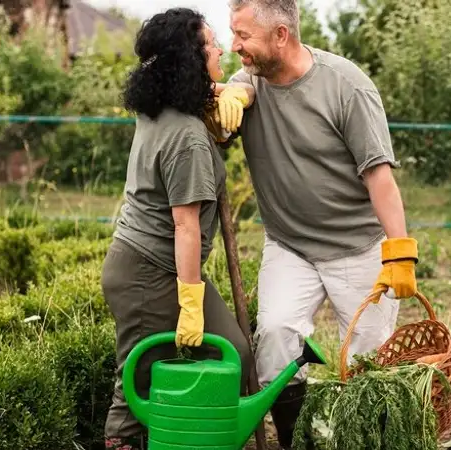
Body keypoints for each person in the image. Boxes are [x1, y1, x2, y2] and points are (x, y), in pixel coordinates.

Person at [224, 0, 421, 447]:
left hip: (357, 246)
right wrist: (229, 96)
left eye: (243, 36)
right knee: (274, 339)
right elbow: (232, 91)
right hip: (290, 246)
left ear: (281, 36)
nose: (235, 46)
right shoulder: (248, 81)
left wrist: (400, 251)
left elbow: (379, 176)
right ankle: (298, 441)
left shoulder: (346, 86)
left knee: (368, 366)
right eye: (231, 34)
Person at [100, 8, 255, 450]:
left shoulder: (160, 109)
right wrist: (190, 302)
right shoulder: (186, 135)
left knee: (231, 352)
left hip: (143, 265)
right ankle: (142, 441)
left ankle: (185, 434)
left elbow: (225, 98)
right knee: (138, 375)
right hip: (151, 273)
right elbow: (185, 224)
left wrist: (234, 97)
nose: (220, 48)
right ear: (189, 59)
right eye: (210, 44)